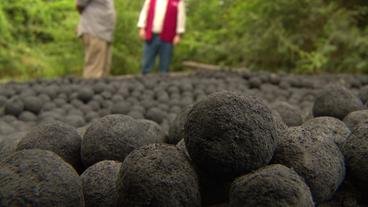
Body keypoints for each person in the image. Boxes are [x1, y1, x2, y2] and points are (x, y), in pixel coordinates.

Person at [137, 0, 186, 75]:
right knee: (146, 64)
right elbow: (144, 12)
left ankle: (163, 84)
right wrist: (141, 28)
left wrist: (178, 34)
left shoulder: (178, 1)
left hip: (168, 37)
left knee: (164, 66)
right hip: (152, 35)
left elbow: (181, 17)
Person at [76, 0, 116, 78]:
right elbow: (79, 5)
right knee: (94, 71)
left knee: (104, 69)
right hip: (94, 30)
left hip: (106, 33)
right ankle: (89, 89)